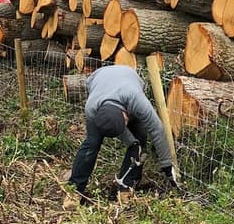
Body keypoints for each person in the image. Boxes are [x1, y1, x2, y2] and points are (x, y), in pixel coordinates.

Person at [66, 64, 176, 204]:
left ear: (125, 115)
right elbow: (118, 132)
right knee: (91, 144)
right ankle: (74, 190)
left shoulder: (137, 100)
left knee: (140, 139)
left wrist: (167, 165)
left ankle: (127, 187)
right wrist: (130, 141)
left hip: (128, 76)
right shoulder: (91, 108)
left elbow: (157, 130)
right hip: (98, 79)